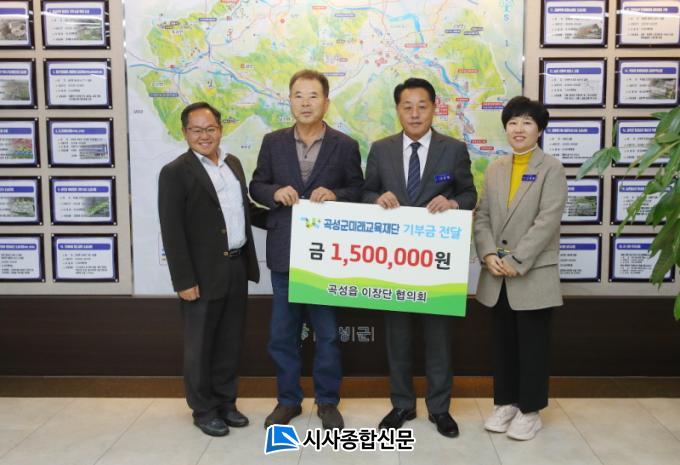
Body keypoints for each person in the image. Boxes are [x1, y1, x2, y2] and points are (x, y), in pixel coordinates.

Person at [362, 77, 477, 438]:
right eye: (407, 106)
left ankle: (440, 409)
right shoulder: (380, 149)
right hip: (395, 262)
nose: (414, 113)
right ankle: (402, 404)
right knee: (397, 338)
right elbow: (365, 192)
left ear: (434, 108)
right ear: (397, 110)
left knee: (439, 339)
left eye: (422, 106)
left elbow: (469, 194)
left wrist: (453, 202)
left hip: (436, 264)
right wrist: (376, 199)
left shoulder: (453, 149)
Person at [249, 69, 364, 430]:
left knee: (327, 335)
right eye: (298, 95)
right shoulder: (273, 142)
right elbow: (256, 185)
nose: (305, 103)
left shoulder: (345, 145)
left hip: (325, 257)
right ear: (289, 101)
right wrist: (273, 192)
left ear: (326, 102)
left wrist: (336, 195)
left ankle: (327, 401)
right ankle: (288, 401)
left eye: (313, 96)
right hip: (285, 251)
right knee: (282, 335)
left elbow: (358, 191)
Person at [158, 102, 265, 437]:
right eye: (196, 130)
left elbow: (245, 210)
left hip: (236, 266)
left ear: (220, 129)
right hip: (200, 275)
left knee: (229, 342)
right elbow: (171, 230)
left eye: (210, 129)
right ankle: (203, 409)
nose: (204, 136)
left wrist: (288, 216)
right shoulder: (175, 172)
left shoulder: (233, 164)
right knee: (200, 345)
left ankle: (226, 402)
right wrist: (183, 280)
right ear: (184, 132)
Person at [474, 96, 567, 441]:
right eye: (513, 122)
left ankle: (530, 412)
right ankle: (505, 404)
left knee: (532, 347)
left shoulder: (552, 168)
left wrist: (516, 260)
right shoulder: (496, 168)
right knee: (503, 346)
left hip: (532, 274)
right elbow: (482, 217)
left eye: (527, 122)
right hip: (496, 275)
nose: (519, 128)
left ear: (539, 130)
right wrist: (487, 254)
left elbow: (547, 221)